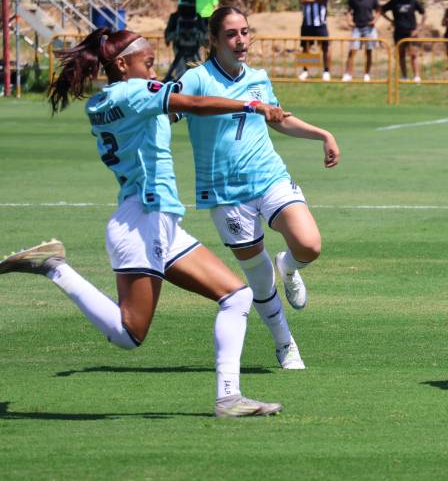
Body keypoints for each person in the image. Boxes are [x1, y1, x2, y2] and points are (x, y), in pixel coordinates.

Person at [1, 27, 288, 417]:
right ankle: (55, 268)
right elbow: (195, 103)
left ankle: (229, 398)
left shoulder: (107, 101)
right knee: (129, 335)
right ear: (122, 64)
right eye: (148, 63)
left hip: (157, 220)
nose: (154, 72)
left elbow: (164, 110)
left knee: (236, 296)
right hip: (144, 220)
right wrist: (250, 106)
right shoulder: (136, 94)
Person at [177, 6, 341, 370]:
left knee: (309, 245)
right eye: (232, 34)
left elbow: (279, 119)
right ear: (214, 41)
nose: (241, 41)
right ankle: (285, 345)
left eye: (245, 32)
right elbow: (170, 106)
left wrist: (322, 135)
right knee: (258, 278)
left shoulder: (259, 77)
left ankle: (290, 265)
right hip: (224, 193)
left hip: (268, 177)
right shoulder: (198, 79)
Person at [382, 0, 425, 82]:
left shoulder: (413, 2)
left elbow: (424, 13)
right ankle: (404, 76)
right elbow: (382, 10)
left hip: (411, 32)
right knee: (401, 55)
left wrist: (418, 28)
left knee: (413, 54)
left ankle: (416, 76)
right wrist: (391, 21)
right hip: (398, 32)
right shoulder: (394, 2)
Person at [164, 0, 209, 81]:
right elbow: (167, 37)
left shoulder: (198, 18)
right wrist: (177, 34)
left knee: (198, 79)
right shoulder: (175, 17)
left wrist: (198, 35)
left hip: (195, 53)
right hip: (179, 52)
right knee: (181, 78)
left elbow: (206, 41)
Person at [298, 0, 332, 81]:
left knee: (325, 48)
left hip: (320, 24)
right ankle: (305, 70)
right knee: (306, 47)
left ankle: (326, 71)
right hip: (307, 23)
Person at [343, 0, 380, 82]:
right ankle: (348, 74)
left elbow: (378, 11)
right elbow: (348, 11)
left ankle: (367, 74)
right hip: (357, 27)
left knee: (368, 51)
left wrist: (375, 20)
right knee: (352, 50)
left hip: (369, 27)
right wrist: (349, 21)